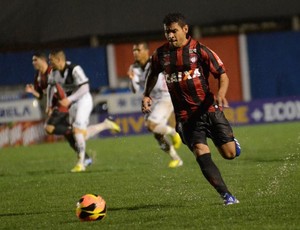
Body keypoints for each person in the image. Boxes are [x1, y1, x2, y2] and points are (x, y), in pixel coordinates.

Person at [141, 13, 241, 205]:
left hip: (209, 110)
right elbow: (152, 73)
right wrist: (146, 94)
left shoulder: (200, 50)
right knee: (200, 152)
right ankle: (226, 196)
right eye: (166, 32)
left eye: (174, 31)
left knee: (229, 154)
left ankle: (232, 143)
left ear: (185, 29)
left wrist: (221, 92)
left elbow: (222, 74)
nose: (170, 35)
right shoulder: (160, 54)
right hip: (186, 118)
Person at [45, 49, 120, 172]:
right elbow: (50, 87)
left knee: (77, 131)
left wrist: (69, 99)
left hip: (84, 100)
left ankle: (81, 163)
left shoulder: (74, 69)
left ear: (59, 60)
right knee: (80, 134)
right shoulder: (54, 72)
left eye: (51, 60)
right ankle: (105, 125)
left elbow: (85, 87)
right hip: (72, 104)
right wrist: (48, 106)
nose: (50, 63)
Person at [127, 41, 183, 168]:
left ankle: (174, 133)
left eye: (138, 50)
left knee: (151, 125)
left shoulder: (156, 61)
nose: (136, 53)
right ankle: (176, 159)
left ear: (146, 51)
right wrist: (131, 80)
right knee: (157, 135)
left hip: (165, 96)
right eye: (134, 50)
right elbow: (134, 89)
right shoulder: (133, 68)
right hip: (151, 100)